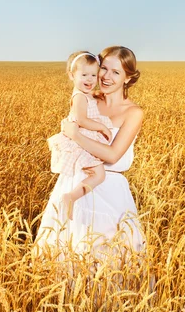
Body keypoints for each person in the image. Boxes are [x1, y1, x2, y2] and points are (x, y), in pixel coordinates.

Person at [35, 46, 145, 260]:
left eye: (116, 72)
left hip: (109, 189)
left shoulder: (133, 112)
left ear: (128, 78)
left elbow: (112, 155)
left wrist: (76, 135)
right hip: (74, 182)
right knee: (65, 252)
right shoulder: (87, 99)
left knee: (107, 258)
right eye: (103, 68)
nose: (106, 77)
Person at [47, 51, 112, 220]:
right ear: (71, 75)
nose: (89, 80)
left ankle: (75, 197)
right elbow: (82, 120)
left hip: (84, 137)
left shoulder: (87, 95)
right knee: (99, 174)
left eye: (93, 75)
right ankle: (71, 197)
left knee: (94, 173)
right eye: (84, 75)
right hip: (80, 139)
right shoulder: (79, 97)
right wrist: (102, 127)